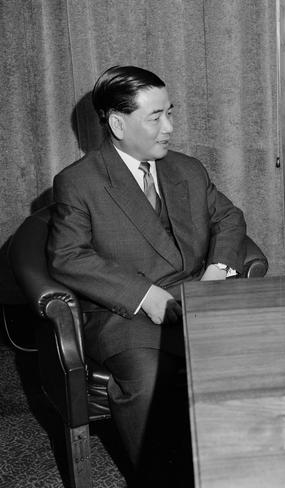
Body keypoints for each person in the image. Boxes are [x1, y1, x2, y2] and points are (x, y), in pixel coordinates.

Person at [48, 65, 247, 485]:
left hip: (201, 301)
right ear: (118, 124)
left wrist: (217, 271)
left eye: (169, 113)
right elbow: (67, 257)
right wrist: (146, 295)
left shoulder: (187, 169)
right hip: (127, 316)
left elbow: (229, 218)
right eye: (156, 117)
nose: (170, 127)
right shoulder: (78, 182)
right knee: (147, 381)